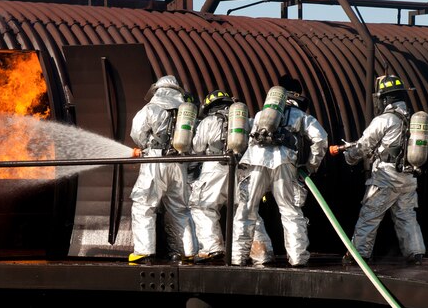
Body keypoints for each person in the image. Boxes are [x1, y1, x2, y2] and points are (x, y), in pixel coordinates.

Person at [231, 86, 327, 267]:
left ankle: (237, 257)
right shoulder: (301, 116)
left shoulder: (261, 115)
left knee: (246, 209)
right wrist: (310, 166)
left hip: (256, 159)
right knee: (290, 211)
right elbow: (321, 138)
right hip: (284, 162)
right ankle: (298, 257)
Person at [342, 75, 426, 266]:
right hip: (408, 177)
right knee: (406, 216)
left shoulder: (385, 119)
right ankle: (416, 253)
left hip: (386, 177)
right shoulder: (411, 119)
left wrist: (350, 156)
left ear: (385, 99)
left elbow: (364, 145)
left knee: (370, 215)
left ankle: (360, 254)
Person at [189, 89, 273, 264]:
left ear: (209, 106)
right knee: (247, 211)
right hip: (242, 168)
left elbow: (197, 148)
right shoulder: (247, 122)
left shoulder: (208, 121)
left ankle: (212, 248)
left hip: (215, 168)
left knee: (202, 207)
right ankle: (261, 252)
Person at [129, 75, 197, 264]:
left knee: (144, 204)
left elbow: (137, 133)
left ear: (157, 90)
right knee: (180, 208)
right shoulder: (186, 112)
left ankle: (144, 251)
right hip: (179, 163)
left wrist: (146, 146)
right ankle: (188, 251)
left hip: (156, 160)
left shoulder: (151, 108)